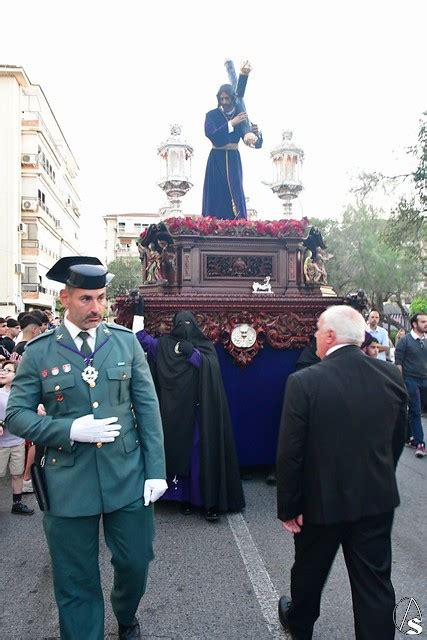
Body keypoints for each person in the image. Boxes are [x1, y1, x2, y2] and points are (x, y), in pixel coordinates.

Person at [6, 256, 167, 640]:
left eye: (101, 298)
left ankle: (125, 612)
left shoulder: (124, 342)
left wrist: (157, 469)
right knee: (75, 577)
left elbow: (147, 408)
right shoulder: (40, 351)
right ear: (65, 298)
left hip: (126, 473)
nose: (97, 308)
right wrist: (68, 429)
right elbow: (15, 415)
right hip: (68, 478)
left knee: (134, 562)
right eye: (86, 299)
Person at [276, 305, 407, 640]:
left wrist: (289, 508)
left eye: (319, 331)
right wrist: (378, 476)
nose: (316, 337)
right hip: (374, 500)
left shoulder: (304, 382)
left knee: (308, 574)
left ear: (330, 335)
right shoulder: (391, 377)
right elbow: (395, 439)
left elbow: (291, 453)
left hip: (320, 504)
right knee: (375, 586)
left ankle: (300, 626)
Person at [135, 310, 245, 522]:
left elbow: (209, 367)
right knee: (181, 455)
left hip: (199, 413)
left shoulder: (203, 346)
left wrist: (193, 354)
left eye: (188, 322)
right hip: (175, 413)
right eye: (180, 323)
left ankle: (207, 501)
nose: (185, 326)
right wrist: (138, 310)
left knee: (199, 455)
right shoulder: (164, 344)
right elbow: (141, 339)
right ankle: (183, 498)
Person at [202, 63, 262, 220]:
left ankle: (238, 223)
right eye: (221, 98)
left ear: (232, 98)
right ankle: (213, 224)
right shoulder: (212, 115)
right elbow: (212, 135)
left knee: (235, 191)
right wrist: (231, 124)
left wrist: (256, 134)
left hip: (234, 158)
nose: (224, 101)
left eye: (227, 98)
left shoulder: (241, 115)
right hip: (216, 158)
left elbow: (254, 143)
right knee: (217, 192)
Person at [0, 361, 34, 515]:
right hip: (2, 443)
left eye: (8, 370)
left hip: (17, 441)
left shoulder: (22, 394)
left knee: (17, 473)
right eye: (2, 369)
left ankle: (17, 503)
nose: (3, 372)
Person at [395, 312, 427, 458]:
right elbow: (398, 363)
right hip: (410, 379)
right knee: (415, 410)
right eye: (423, 322)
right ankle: (420, 443)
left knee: (417, 409)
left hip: (425, 380)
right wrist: (400, 382)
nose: (426, 324)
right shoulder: (405, 341)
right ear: (414, 324)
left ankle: (408, 436)